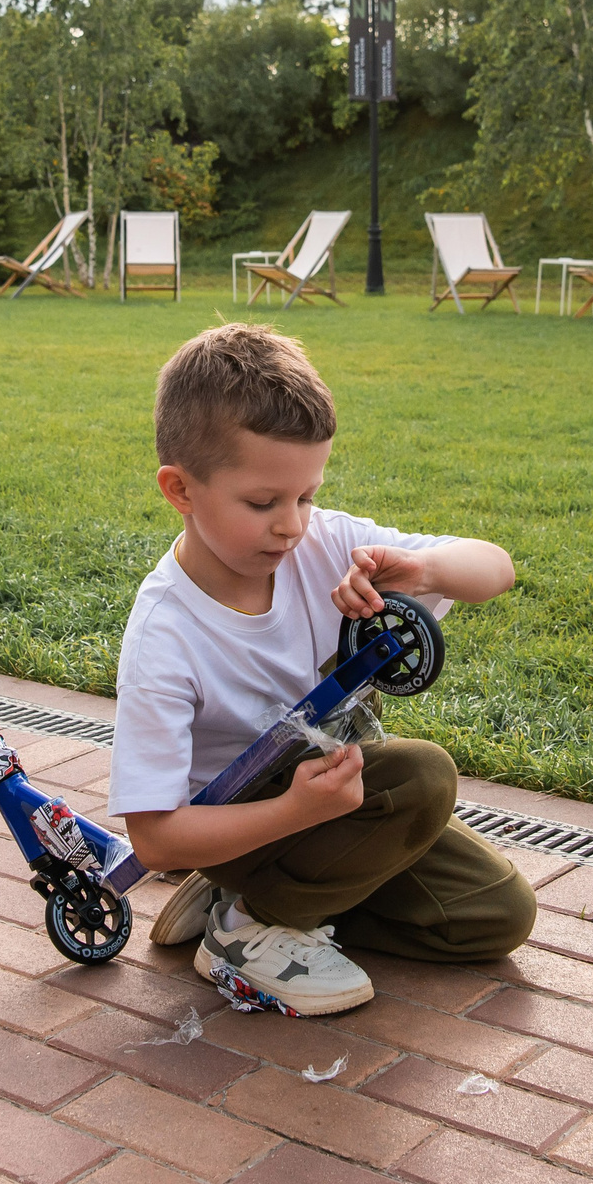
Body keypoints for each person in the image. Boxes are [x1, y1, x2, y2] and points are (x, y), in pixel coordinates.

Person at [113, 324, 534, 1015]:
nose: (293, 525)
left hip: (332, 812)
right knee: (423, 775)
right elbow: (156, 837)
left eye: (306, 496)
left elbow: (495, 566)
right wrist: (291, 811)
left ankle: (273, 905)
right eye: (263, 502)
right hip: (247, 821)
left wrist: (422, 570)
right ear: (180, 489)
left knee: (495, 915)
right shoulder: (166, 632)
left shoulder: (326, 543)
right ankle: (243, 928)